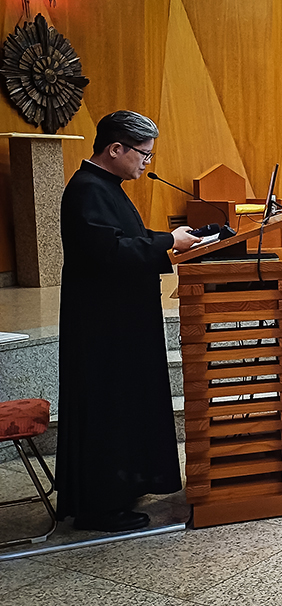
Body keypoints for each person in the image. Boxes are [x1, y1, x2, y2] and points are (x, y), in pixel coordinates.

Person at [56, 111, 201, 532]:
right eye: (143, 154)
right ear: (115, 149)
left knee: (126, 403)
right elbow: (110, 252)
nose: (146, 162)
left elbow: (125, 240)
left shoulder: (105, 187)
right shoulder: (87, 188)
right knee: (110, 406)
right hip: (102, 326)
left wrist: (171, 240)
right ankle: (100, 506)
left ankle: (122, 488)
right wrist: (168, 241)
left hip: (119, 319)